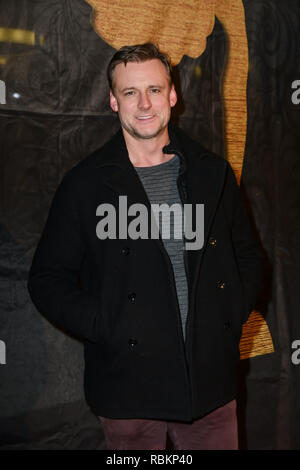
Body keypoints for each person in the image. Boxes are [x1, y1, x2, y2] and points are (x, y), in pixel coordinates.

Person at [28, 43, 263, 450]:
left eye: (154, 89)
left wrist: (228, 317)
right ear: (113, 102)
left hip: (211, 388)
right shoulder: (85, 184)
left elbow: (248, 256)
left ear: (173, 95)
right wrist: (108, 325)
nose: (144, 104)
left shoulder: (213, 173)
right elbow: (47, 279)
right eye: (130, 92)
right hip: (128, 393)